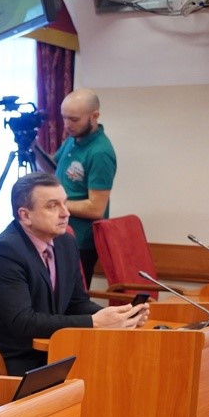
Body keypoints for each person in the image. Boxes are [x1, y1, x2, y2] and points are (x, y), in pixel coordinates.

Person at [0, 172, 146, 376]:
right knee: (98, 376)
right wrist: (94, 322)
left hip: (43, 353)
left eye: (64, 203)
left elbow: (76, 303)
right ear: (25, 216)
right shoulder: (5, 252)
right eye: (53, 206)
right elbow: (23, 322)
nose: (65, 213)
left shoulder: (66, 242)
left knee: (119, 369)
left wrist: (119, 317)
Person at [53, 88, 116, 286]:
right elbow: (53, 167)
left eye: (74, 119)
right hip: (59, 233)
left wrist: (54, 204)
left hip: (80, 242)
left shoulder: (100, 152)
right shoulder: (73, 140)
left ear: (94, 116)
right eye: (64, 118)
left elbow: (96, 209)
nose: (67, 125)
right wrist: (32, 146)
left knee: (71, 298)